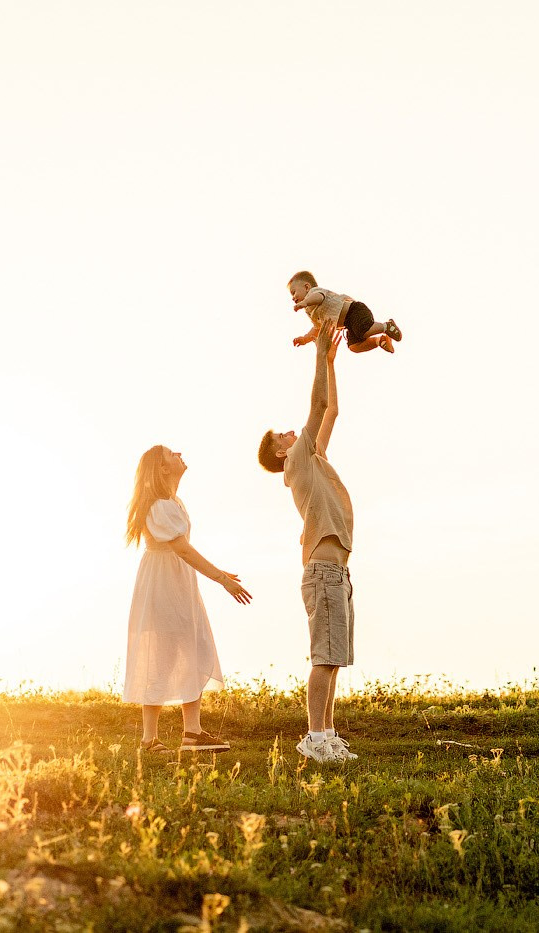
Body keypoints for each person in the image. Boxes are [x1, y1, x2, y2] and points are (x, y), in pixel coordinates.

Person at [257, 323, 361, 764]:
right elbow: (316, 404)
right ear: (281, 452)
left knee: (334, 656)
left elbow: (331, 410)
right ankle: (314, 738)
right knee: (323, 656)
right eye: (282, 434)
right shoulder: (297, 461)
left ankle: (328, 735)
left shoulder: (312, 456)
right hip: (323, 570)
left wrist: (331, 364)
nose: (289, 433)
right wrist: (318, 351)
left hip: (336, 569)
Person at [123, 445, 251, 754]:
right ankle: (149, 739)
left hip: (176, 581)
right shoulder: (159, 506)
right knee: (165, 656)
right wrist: (221, 578)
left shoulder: (172, 502)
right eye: (170, 453)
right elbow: (181, 549)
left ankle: (192, 732)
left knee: (194, 648)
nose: (178, 453)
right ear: (163, 468)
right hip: (164, 583)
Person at [289, 270, 402, 354]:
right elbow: (317, 328)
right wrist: (305, 339)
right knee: (354, 347)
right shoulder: (311, 312)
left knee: (362, 331)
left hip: (354, 311)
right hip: (348, 324)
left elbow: (319, 297)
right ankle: (379, 340)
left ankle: (386, 326)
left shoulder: (314, 293)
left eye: (294, 292)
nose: (293, 297)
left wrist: (304, 303)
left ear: (307, 287)